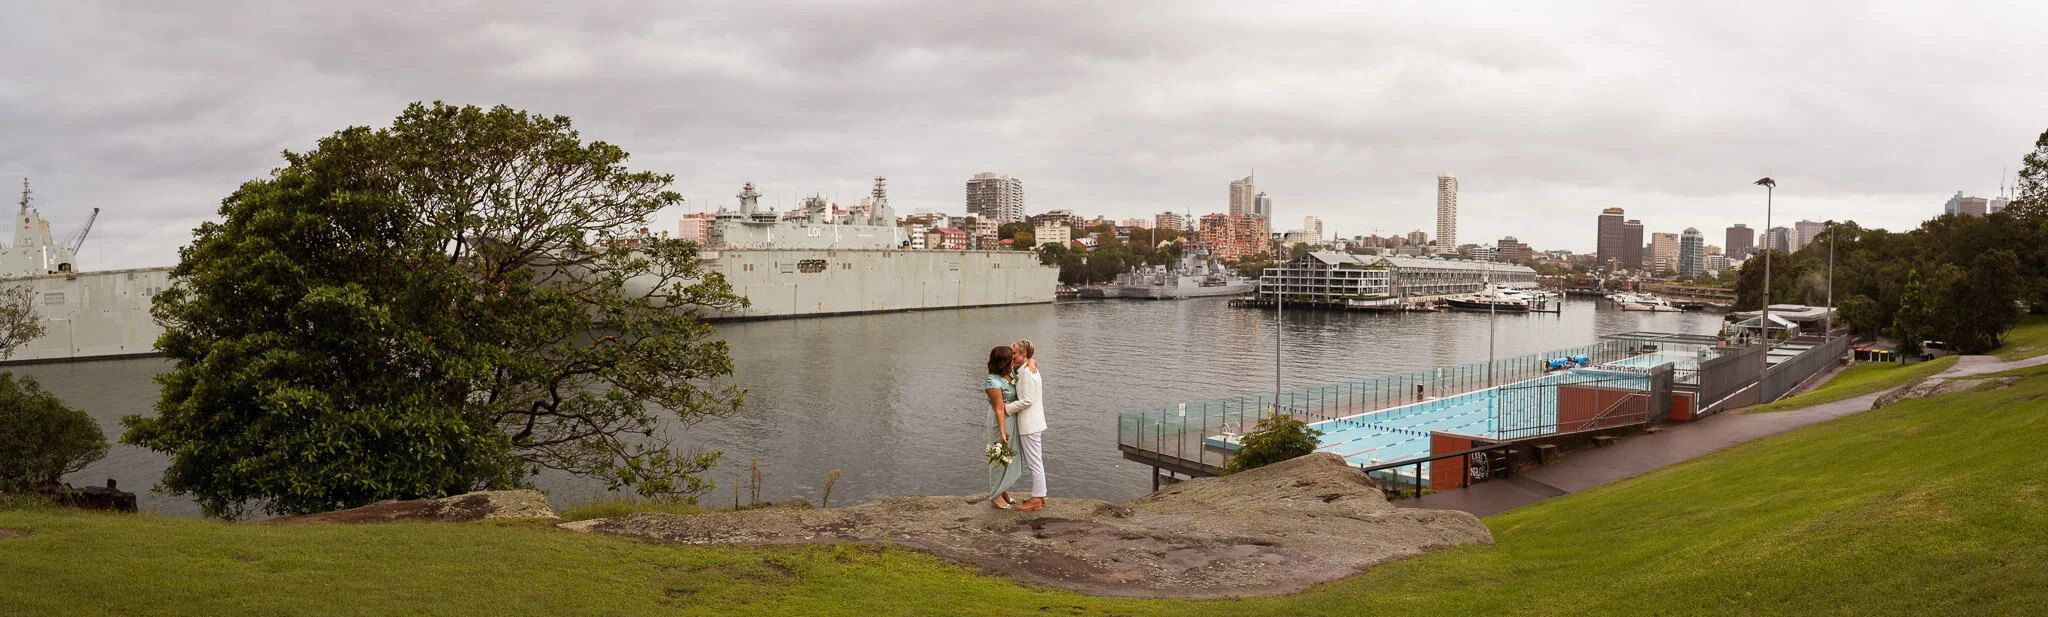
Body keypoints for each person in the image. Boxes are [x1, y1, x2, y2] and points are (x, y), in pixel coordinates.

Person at [982, 345, 1031, 509]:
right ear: (1004, 361)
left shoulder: (1010, 374)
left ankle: (1003, 490)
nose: (1014, 359)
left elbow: (1026, 361)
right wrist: (1002, 432)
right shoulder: (992, 382)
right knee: (999, 457)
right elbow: (998, 408)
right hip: (999, 421)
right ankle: (995, 495)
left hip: (1011, 419)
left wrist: (1032, 362)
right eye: (1011, 357)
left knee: (1008, 456)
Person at [1009, 339, 1047, 511]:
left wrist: (1006, 408)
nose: (1012, 357)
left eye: (1015, 353)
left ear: (1024, 354)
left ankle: (1037, 499)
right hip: (1032, 423)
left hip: (1030, 424)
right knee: (1035, 461)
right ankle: (1040, 495)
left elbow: (1027, 400)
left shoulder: (1027, 373)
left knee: (1034, 463)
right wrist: (1031, 360)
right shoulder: (1026, 369)